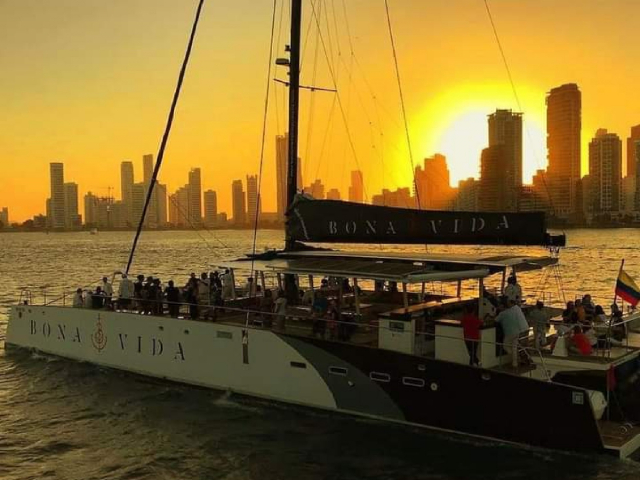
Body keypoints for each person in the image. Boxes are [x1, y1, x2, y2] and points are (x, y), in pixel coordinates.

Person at [495, 299, 527, 368]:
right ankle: (515, 362)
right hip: (517, 332)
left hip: (509, 333)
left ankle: (516, 358)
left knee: (505, 346)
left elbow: (495, 320)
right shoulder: (514, 310)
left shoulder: (502, 313)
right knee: (514, 347)